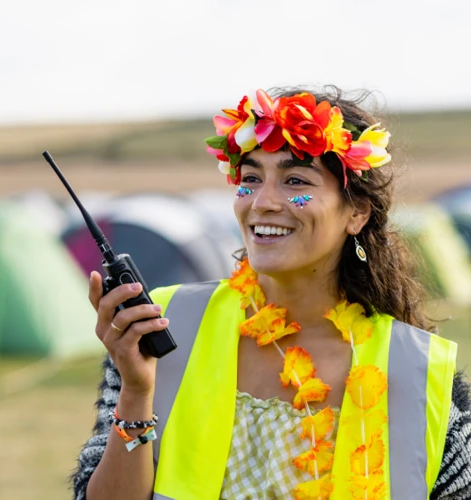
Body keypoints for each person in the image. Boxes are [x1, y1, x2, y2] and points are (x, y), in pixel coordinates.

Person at [72, 86, 471, 499]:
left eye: (295, 179)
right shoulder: (160, 328)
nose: (262, 202)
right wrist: (137, 391)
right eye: (250, 179)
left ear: (356, 212)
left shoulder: (419, 372)